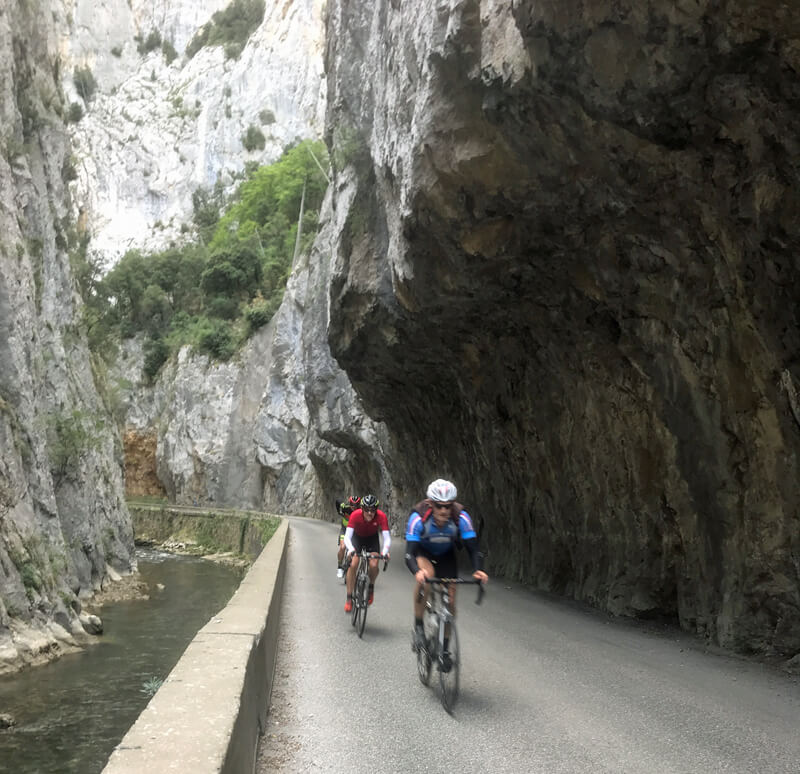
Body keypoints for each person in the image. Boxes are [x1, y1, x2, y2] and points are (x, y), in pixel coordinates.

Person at [404, 478, 488, 669]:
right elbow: (409, 554)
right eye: (439, 506)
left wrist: (479, 570)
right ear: (431, 504)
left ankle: (444, 650)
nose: (444, 511)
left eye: (448, 506)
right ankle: (418, 626)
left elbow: (474, 549)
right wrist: (417, 572)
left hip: (446, 555)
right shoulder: (418, 518)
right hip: (423, 552)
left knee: (450, 602)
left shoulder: (461, 518)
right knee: (426, 577)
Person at [342, 494, 391, 612]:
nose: (370, 513)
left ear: (376, 510)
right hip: (357, 538)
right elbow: (347, 537)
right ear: (362, 509)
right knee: (353, 564)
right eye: (367, 510)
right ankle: (349, 598)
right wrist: (351, 549)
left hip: (371, 539)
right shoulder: (355, 515)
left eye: (373, 510)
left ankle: (371, 587)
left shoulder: (381, 517)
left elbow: (387, 538)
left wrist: (385, 552)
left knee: (374, 565)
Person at [335, 495, 361, 578]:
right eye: (352, 505)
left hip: (354, 532)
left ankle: (349, 566)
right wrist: (339, 511)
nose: (354, 507)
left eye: (356, 505)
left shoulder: (361, 512)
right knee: (342, 547)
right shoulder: (345, 508)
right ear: (349, 504)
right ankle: (339, 567)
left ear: (359, 505)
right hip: (344, 530)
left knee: (354, 551)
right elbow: (338, 500)